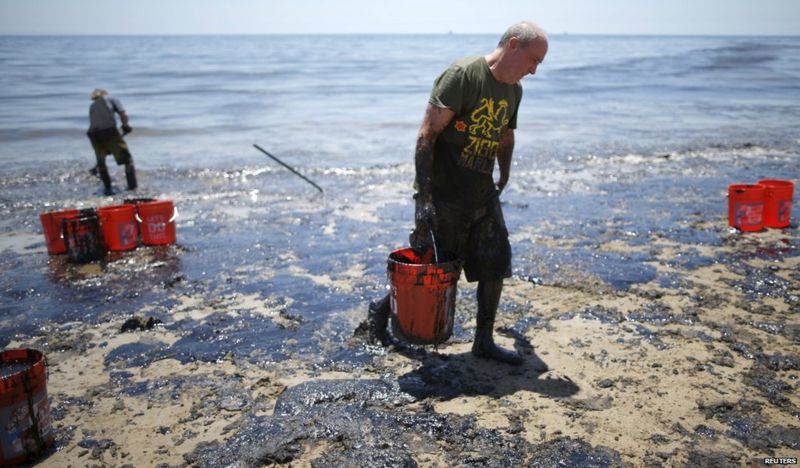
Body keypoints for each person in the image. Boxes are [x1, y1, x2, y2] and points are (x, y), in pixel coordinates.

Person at [367, 21, 549, 365]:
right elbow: (427, 135)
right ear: (513, 45)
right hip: (445, 195)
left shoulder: (514, 91)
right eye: (533, 60)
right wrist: (423, 198)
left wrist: (505, 173)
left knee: (495, 263)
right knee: (435, 270)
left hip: (482, 193)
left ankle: (484, 341)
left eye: (539, 63)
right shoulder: (462, 76)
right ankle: (379, 315)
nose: (534, 70)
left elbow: (505, 136)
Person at [87, 89, 137, 195]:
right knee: (128, 160)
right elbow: (123, 114)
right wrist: (125, 126)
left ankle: (108, 189)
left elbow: (95, 124)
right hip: (109, 131)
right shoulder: (111, 98)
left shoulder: (92, 106)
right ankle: (133, 189)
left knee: (101, 163)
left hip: (93, 134)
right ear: (104, 93)